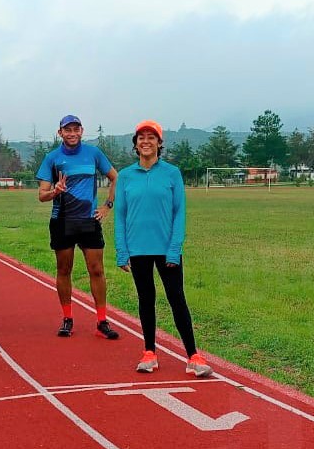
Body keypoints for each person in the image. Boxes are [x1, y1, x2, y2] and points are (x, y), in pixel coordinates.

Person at [114, 120, 212, 378]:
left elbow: (179, 213)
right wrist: (121, 251)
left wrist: (174, 248)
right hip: (137, 249)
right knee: (146, 299)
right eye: (141, 138)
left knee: (177, 299)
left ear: (159, 143)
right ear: (135, 144)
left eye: (151, 137)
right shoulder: (125, 176)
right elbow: (120, 216)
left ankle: (193, 355)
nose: (146, 141)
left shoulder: (171, 174)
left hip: (166, 249)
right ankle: (149, 353)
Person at [36, 114, 121, 340]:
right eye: (67, 130)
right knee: (64, 270)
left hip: (89, 222)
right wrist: (55, 191)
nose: (72, 133)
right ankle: (67, 318)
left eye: (76, 129)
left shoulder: (94, 154)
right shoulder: (52, 158)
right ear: (60, 133)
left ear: (82, 131)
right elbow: (41, 195)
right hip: (62, 222)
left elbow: (115, 177)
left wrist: (107, 206)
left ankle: (102, 321)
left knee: (97, 270)